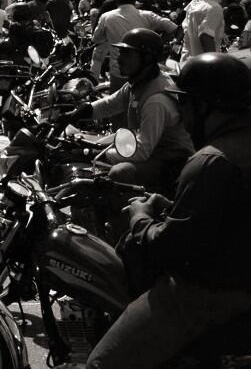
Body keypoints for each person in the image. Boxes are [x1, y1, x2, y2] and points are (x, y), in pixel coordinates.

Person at [88, 52, 251, 369]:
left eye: (186, 105)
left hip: (206, 293)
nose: (183, 115)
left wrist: (140, 218)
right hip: (239, 277)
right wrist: (174, 210)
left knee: (103, 364)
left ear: (205, 105)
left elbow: (170, 249)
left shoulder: (211, 161)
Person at [62, 28, 193, 195]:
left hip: (170, 161)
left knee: (119, 172)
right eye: (120, 52)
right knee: (88, 140)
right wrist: (76, 114)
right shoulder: (139, 82)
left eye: (127, 54)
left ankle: (124, 217)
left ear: (146, 58)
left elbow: (141, 151)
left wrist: (97, 154)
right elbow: (111, 103)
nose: (119, 58)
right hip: (152, 150)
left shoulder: (156, 100)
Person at [90, 0, 178, 91]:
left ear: (117, 1)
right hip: (143, 71)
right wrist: (158, 42)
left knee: (118, 105)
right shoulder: (147, 15)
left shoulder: (106, 17)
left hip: (119, 71)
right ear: (134, 0)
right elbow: (173, 28)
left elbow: (96, 39)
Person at [179, 0, 226, 64]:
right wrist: (215, 64)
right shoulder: (214, 7)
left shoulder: (194, 4)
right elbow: (205, 36)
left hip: (186, 63)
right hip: (202, 68)